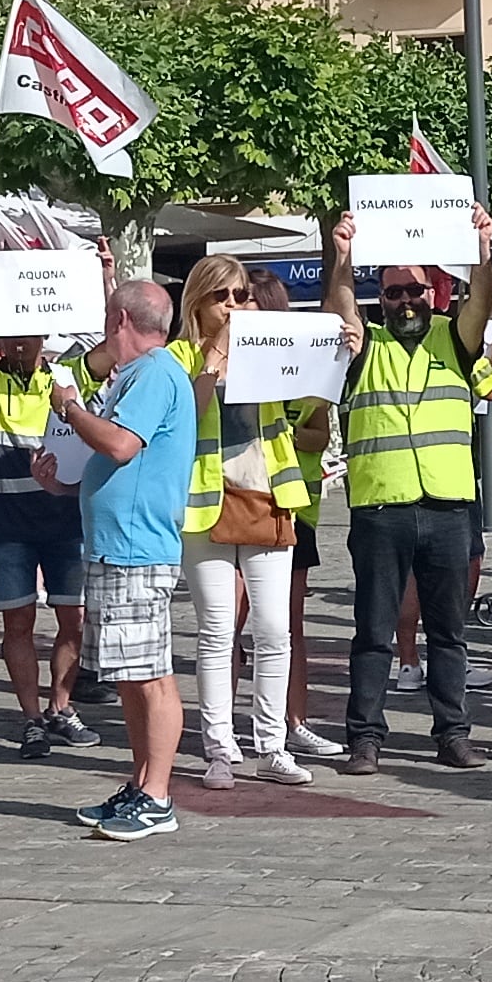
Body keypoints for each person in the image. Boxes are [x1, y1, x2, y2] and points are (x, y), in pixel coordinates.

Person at [321, 211, 492, 773]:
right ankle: (365, 739)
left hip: (446, 506)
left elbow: (483, 302)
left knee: (450, 632)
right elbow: (340, 309)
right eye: (393, 291)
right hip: (381, 507)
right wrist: (343, 257)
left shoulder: (453, 337)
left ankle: (452, 734)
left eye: (414, 289)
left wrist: (482, 250)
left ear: (433, 292)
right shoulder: (364, 342)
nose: (405, 300)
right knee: (373, 632)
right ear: (382, 296)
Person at [164, 257, 325, 788]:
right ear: (198, 303)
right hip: (207, 500)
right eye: (223, 297)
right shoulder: (179, 354)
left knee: (275, 631)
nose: (235, 306)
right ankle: (219, 746)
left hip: (269, 493)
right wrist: (215, 356)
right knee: (216, 630)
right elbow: (186, 411)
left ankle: (272, 745)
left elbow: (310, 401)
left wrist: (336, 350)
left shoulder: (269, 344)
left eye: (240, 295)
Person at [46, 275, 195, 839]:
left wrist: (70, 409)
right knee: (131, 676)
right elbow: (118, 464)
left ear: (119, 321)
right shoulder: (138, 375)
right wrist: (64, 486)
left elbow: (120, 444)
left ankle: (157, 795)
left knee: (150, 676)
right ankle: (141, 784)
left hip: (137, 548)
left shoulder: (155, 372)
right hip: (118, 545)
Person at [0, 288, 99, 759]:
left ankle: (61, 706)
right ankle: (31, 718)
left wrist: (106, 281)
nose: (18, 343)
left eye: (27, 335)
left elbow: (116, 347)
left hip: (65, 519)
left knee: (74, 621)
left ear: (42, 336)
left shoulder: (67, 379)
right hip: (8, 522)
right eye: (9, 335)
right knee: (19, 623)